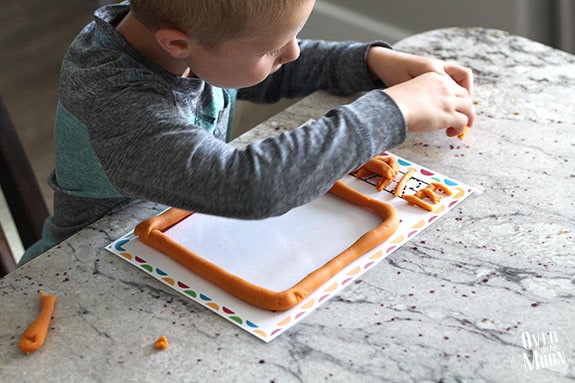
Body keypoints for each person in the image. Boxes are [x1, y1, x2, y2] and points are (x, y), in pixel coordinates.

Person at [19, 0, 475, 265]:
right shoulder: (115, 99)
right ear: (177, 44)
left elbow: (251, 66)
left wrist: (370, 62)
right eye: (275, 46)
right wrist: (391, 112)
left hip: (182, 235)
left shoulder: (181, 35)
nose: (292, 53)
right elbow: (248, 185)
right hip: (87, 269)